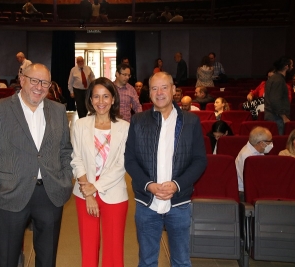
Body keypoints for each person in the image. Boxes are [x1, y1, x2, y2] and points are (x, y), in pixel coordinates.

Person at [0, 63, 73, 267]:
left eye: (45, 83)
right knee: (7, 260)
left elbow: (66, 150)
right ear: (22, 80)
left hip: (50, 194)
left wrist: (66, 181)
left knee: (47, 259)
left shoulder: (58, 110)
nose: (39, 87)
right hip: (9, 194)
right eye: (34, 80)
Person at [125, 71, 207, 267]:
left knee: (181, 261)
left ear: (173, 90)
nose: (159, 92)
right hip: (147, 204)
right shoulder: (138, 121)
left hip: (179, 203)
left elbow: (199, 161)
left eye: (164, 87)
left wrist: (177, 185)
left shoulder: (191, 121)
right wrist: (149, 185)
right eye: (154, 88)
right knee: (147, 261)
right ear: (149, 93)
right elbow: (130, 160)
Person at [71, 77, 129, 267]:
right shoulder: (80, 125)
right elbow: (76, 158)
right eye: (96, 96)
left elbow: (121, 164)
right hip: (84, 190)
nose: (101, 101)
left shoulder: (125, 128)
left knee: (113, 249)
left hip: (114, 191)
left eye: (106, 96)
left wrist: (94, 187)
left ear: (113, 99)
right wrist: (88, 192)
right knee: (88, 247)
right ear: (90, 99)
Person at [235, 127, 273, 201]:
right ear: (262, 143)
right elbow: (250, 182)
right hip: (245, 193)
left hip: (256, 187)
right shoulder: (247, 155)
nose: (271, 144)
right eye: (270, 141)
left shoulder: (258, 150)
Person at [264, 57, 293, 135]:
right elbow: (275, 100)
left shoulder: (274, 78)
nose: (292, 67)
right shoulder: (278, 80)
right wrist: (284, 117)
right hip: (277, 118)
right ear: (286, 66)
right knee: (278, 143)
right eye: (291, 65)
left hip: (273, 116)